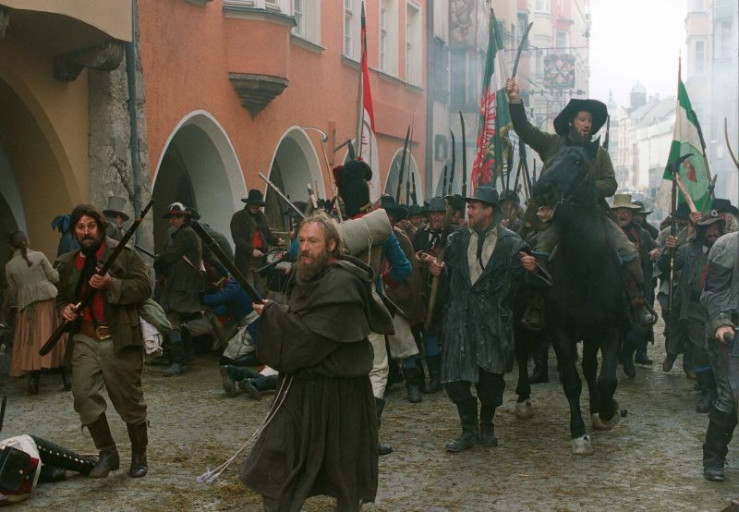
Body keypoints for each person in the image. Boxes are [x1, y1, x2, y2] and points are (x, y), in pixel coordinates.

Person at [240, 214, 394, 511]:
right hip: (303, 388)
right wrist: (276, 312)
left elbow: (309, 339)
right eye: (301, 240)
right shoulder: (307, 274)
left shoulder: (343, 284)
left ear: (332, 245)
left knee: (345, 474)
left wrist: (273, 315)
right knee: (276, 462)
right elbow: (303, 322)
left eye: (313, 241)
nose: (305, 248)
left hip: (341, 395)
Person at [505, 78, 654, 326]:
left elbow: (610, 183)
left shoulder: (599, 153)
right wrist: (515, 100)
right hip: (556, 216)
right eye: (582, 119)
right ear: (571, 122)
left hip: (593, 215)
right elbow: (524, 129)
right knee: (541, 249)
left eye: (589, 121)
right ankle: (537, 303)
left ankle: (636, 300)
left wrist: (586, 188)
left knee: (627, 250)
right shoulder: (552, 144)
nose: (586, 124)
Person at [429, 186, 532, 452]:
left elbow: (524, 285)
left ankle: (487, 426)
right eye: (468, 207)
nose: (469, 211)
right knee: (454, 379)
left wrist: (529, 269)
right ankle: (468, 430)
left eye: (474, 207)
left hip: (492, 321)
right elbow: (449, 272)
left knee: (490, 381)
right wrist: (439, 269)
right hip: (460, 319)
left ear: (489, 211)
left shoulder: (512, 243)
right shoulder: (456, 240)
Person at [56, 204, 151, 479]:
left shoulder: (123, 254)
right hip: (85, 338)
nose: (86, 232)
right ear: (75, 232)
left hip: (118, 337)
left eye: (91, 226)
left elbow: (144, 287)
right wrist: (64, 309)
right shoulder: (67, 263)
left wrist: (112, 283)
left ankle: (139, 455)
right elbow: (62, 297)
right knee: (83, 396)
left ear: (99, 227)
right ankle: (107, 452)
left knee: (129, 401)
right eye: (80, 227)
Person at [333, 159, 411, 455]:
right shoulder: (381, 229)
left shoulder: (334, 229)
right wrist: (382, 282)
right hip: (369, 306)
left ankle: (340, 433)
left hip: (338, 307)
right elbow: (403, 268)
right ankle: (368, 436)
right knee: (376, 370)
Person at [659, 211, 727, 413]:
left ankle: (723, 390)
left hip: (723, 307)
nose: (713, 232)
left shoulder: (728, 250)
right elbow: (666, 267)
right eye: (708, 229)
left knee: (723, 349)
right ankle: (708, 391)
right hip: (696, 305)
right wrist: (668, 251)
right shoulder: (688, 250)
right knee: (700, 348)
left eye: (716, 228)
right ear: (701, 231)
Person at [4, 231, 69, 393]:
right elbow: (54, 277)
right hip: (49, 301)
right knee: (56, 338)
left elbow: (12, 291)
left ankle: (34, 382)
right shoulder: (39, 256)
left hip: (28, 306)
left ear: (11, 247)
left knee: (32, 343)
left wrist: (6, 305)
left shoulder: (10, 266)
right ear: (27, 241)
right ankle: (66, 379)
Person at [700, 230, 738, 481]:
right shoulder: (728, 246)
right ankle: (713, 456)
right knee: (731, 397)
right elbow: (713, 292)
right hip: (730, 333)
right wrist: (722, 323)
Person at [610, 194, 659, 374]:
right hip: (612, 287)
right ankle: (612, 358)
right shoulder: (606, 231)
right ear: (613, 213)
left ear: (632, 214)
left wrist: (656, 250)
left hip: (636, 289)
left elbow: (655, 246)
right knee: (613, 326)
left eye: (626, 211)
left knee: (642, 325)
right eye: (619, 211)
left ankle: (628, 354)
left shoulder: (641, 232)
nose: (623, 215)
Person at [154, 202, 204, 377]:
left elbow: (170, 256)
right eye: (171, 218)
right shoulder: (187, 232)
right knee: (178, 321)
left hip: (183, 287)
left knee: (171, 320)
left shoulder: (186, 234)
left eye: (176, 217)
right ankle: (187, 355)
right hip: (181, 285)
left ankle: (178, 361)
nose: (172, 221)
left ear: (184, 218)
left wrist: (158, 262)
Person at [413, 196, 455, 394]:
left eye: (440, 214)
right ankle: (436, 377)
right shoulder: (420, 234)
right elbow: (412, 256)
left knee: (449, 336)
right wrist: (420, 259)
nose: (437, 218)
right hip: (426, 294)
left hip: (450, 295)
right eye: (433, 214)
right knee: (429, 332)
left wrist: (442, 267)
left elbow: (461, 265)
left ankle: (452, 376)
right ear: (428, 215)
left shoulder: (455, 235)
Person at [230, 189, 282, 294]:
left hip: (261, 258)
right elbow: (237, 239)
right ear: (249, 203)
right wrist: (252, 250)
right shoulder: (238, 217)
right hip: (246, 259)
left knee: (262, 289)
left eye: (258, 204)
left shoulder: (262, 217)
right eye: (254, 204)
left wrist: (277, 241)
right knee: (249, 290)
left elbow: (267, 234)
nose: (256, 206)